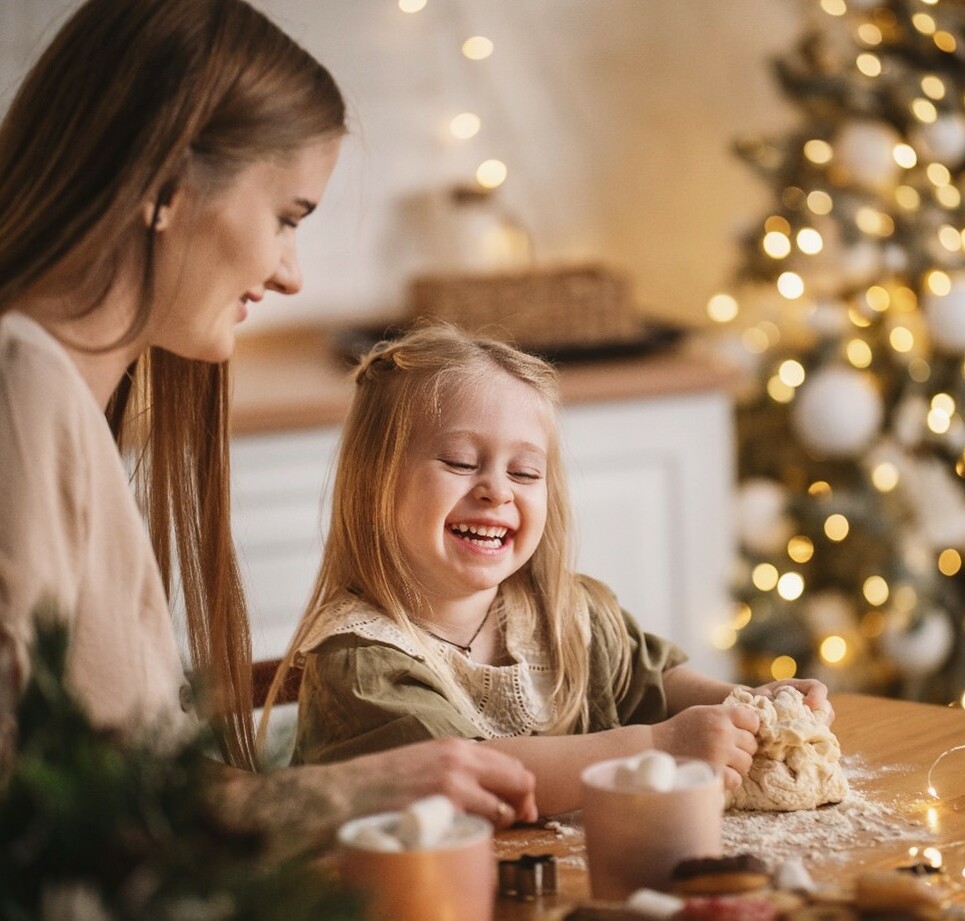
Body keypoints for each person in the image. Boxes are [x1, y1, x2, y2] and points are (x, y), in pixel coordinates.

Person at [0, 0, 536, 858]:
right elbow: (41, 815)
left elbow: (117, 772)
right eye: (287, 216)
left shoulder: (58, 398)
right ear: (167, 185)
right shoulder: (21, 387)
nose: (289, 273)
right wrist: (355, 785)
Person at [269, 323, 833, 816]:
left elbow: (653, 683)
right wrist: (658, 749)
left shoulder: (564, 612)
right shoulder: (362, 664)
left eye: (525, 472)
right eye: (461, 462)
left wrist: (749, 705)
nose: (496, 490)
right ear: (376, 484)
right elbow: (472, 775)